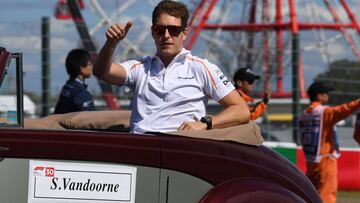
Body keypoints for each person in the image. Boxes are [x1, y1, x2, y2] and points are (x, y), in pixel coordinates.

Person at [93, 0, 250, 133]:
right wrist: (111, 43)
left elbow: (242, 110)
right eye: (160, 30)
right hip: (141, 150)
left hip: (179, 152)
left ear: (185, 33)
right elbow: (101, 72)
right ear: (153, 32)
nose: (166, 36)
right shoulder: (140, 68)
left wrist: (205, 124)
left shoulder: (202, 68)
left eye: (174, 30)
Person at [298, 81, 360, 203]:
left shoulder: (304, 114)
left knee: (311, 196)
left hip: (310, 161)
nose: (328, 96)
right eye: (326, 93)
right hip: (325, 160)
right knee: (327, 196)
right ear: (319, 96)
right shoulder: (324, 112)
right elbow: (344, 109)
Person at [54, 49, 95, 114]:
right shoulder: (81, 93)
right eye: (90, 64)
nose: (92, 67)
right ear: (82, 69)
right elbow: (90, 119)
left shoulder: (67, 87)